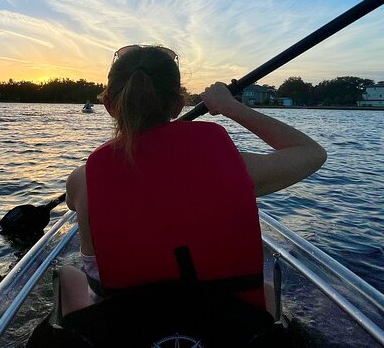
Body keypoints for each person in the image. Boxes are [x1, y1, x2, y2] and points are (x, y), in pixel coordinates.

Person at [60, 45, 327, 322]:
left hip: (127, 325)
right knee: (268, 291)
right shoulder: (234, 167)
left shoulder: (83, 181)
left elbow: (71, 202)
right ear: (178, 104)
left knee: (68, 275)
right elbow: (312, 153)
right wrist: (230, 107)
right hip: (223, 324)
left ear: (109, 105)